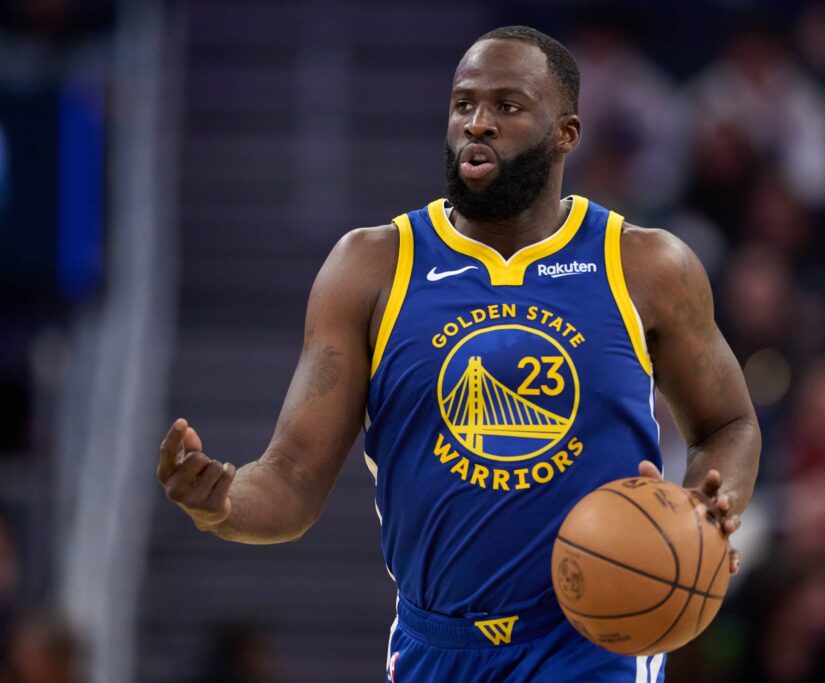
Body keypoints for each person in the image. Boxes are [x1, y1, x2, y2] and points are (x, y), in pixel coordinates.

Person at [156, 26, 761, 682]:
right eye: (463, 104)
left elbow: (728, 424)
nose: (478, 123)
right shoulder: (370, 266)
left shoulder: (646, 265)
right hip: (436, 643)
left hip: (591, 639)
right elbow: (293, 478)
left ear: (566, 133)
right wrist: (221, 504)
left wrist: (710, 506)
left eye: (507, 106)